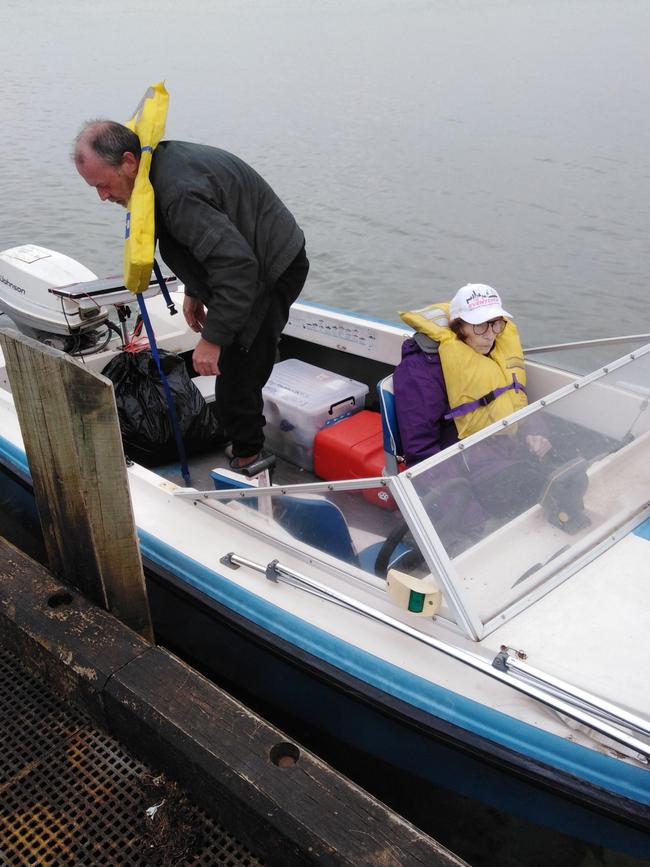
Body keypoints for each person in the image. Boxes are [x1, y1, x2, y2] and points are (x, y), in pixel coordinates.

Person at [74, 121, 309, 470]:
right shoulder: (156, 168)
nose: (103, 196)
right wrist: (196, 290)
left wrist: (213, 339)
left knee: (236, 374)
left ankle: (250, 459)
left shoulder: (178, 192)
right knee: (240, 356)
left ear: (128, 161)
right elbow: (203, 242)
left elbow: (238, 267)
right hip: (248, 259)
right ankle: (249, 429)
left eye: (103, 185)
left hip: (269, 269)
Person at [394, 284, 559, 538]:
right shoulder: (420, 371)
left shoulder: (496, 353)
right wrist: (470, 514)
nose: (489, 335)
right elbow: (422, 452)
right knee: (537, 501)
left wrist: (535, 433)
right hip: (466, 469)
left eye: (496, 324)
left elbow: (515, 399)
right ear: (459, 326)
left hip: (508, 451)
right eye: (479, 325)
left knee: (563, 479)